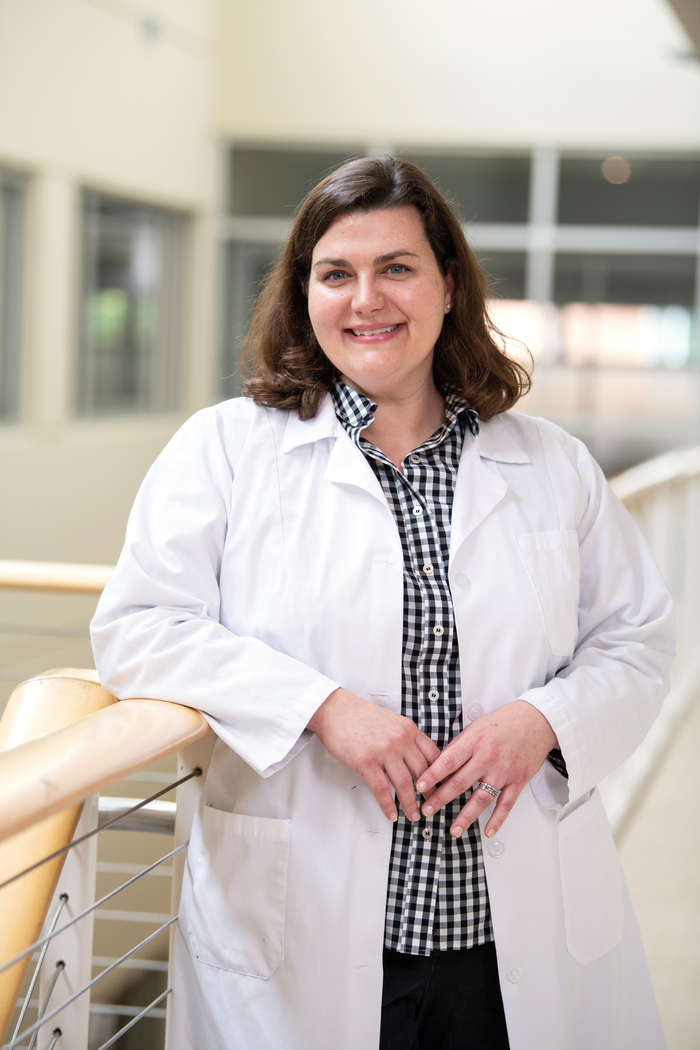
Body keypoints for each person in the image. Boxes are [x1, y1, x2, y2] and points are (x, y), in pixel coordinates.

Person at [91, 155, 674, 1050]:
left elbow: (634, 641)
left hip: (507, 937)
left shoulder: (552, 465)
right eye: (336, 274)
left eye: (396, 268)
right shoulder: (225, 450)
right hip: (305, 938)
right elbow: (137, 629)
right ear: (305, 295)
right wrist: (320, 708)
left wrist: (541, 721)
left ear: (447, 284)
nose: (367, 299)